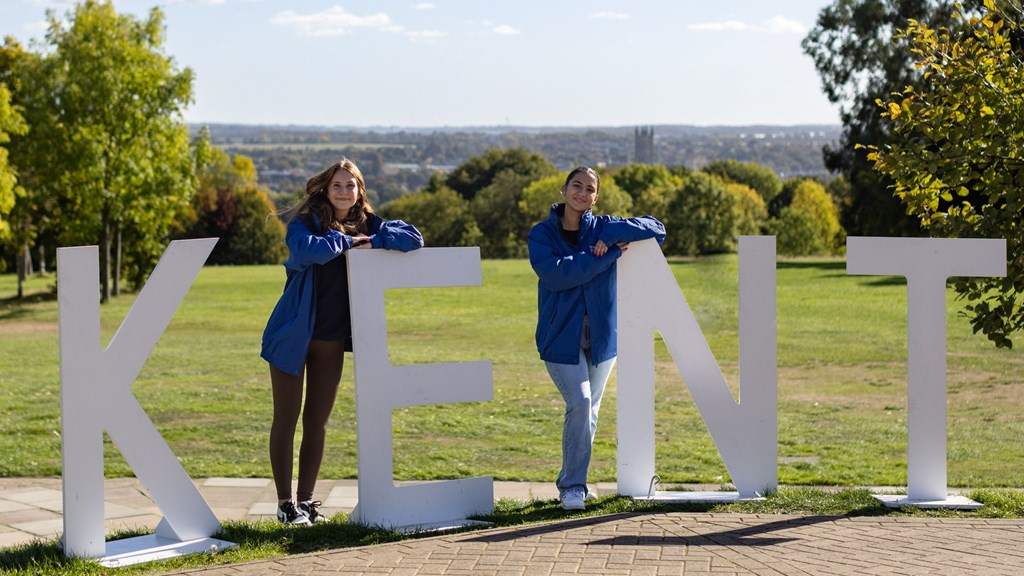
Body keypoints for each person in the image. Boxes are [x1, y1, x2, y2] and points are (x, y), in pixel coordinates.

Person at [261, 157, 423, 524]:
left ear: (360, 190)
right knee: (285, 419)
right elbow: (307, 252)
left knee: (317, 421)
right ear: (325, 188)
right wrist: (348, 241)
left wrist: (375, 239)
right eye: (337, 185)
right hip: (292, 334)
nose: (343, 191)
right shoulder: (305, 223)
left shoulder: (369, 223)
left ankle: (306, 502)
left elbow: (414, 238)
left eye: (350, 186)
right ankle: (285, 503)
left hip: (331, 339)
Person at [527, 166, 665, 511]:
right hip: (560, 339)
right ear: (563, 190)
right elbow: (560, 275)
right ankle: (572, 487)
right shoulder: (541, 234)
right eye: (577, 186)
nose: (582, 193)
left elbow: (657, 229)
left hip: (602, 339)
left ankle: (576, 483)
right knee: (581, 403)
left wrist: (614, 234)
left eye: (590, 189)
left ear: (595, 198)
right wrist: (610, 254)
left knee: (588, 413)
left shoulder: (603, 226)